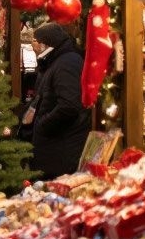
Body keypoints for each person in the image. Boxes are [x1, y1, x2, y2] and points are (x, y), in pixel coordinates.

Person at [20, 22, 91, 179]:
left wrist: (41, 124)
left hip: (60, 153)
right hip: (52, 150)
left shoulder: (67, 63)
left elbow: (69, 106)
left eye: (35, 41)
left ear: (45, 43)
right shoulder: (52, 62)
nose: (32, 45)